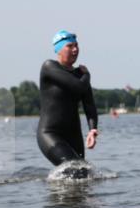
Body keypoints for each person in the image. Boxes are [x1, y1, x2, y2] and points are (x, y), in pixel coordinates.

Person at [37, 31, 99, 166]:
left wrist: (92, 129)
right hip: (50, 133)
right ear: (58, 49)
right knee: (75, 169)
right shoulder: (49, 67)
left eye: (76, 45)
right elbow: (79, 87)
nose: (75, 49)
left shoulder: (80, 74)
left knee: (84, 174)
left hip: (74, 135)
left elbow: (89, 104)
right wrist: (87, 74)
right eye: (70, 46)